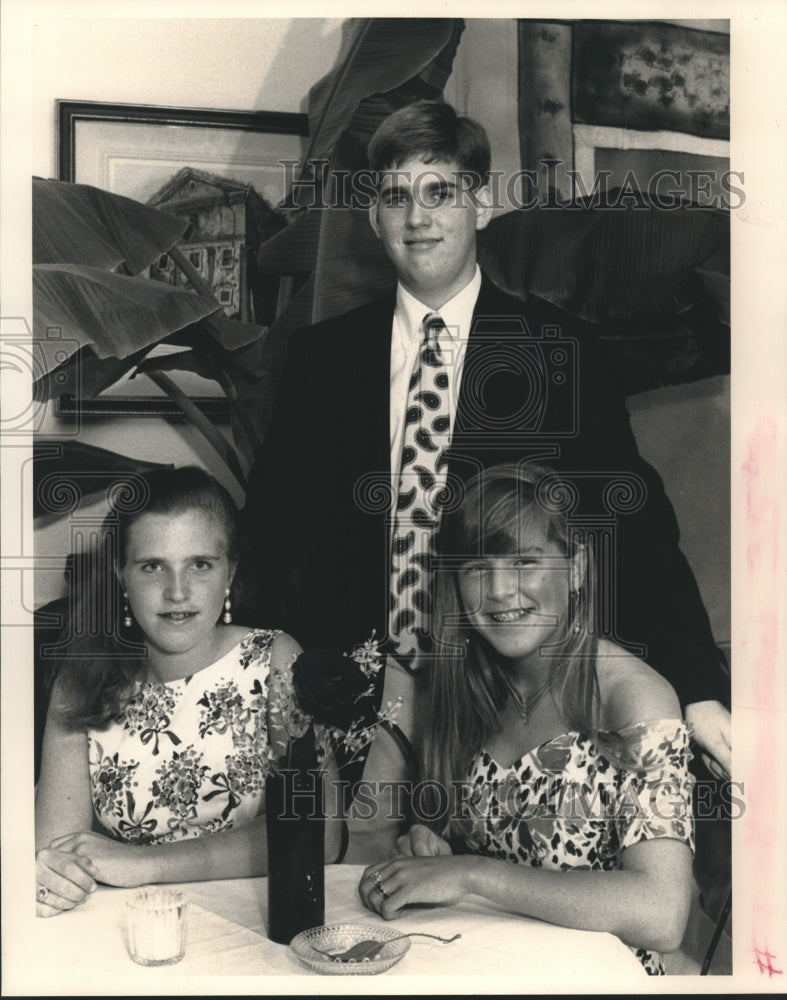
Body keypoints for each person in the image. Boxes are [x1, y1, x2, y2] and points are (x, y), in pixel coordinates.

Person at [244, 99, 730, 791]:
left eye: (439, 192)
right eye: (395, 196)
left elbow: (635, 525)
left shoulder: (556, 349)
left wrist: (695, 687)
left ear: (476, 203)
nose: (418, 219)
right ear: (373, 216)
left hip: (507, 710)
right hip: (352, 710)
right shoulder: (323, 358)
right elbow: (271, 533)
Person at [358, 462, 694, 975]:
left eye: (523, 562)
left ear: (575, 567)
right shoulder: (459, 686)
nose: (498, 591)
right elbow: (444, 844)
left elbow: (662, 913)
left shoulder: (635, 698)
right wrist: (429, 848)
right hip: (482, 966)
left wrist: (470, 874)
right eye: (475, 568)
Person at [35, 466, 340, 917]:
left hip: (255, 923)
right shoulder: (79, 680)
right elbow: (53, 850)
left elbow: (321, 834)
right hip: (129, 930)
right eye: (152, 566)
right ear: (121, 574)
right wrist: (49, 875)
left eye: (200, 564)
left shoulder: (275, 659)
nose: (177, 591)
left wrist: (146, 864)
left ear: (230, 571)